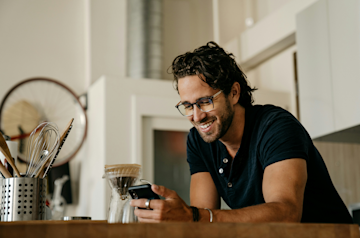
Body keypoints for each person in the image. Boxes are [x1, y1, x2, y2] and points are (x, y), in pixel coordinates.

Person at [130, 42, 353, 223]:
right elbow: (201, 221)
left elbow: (286, 214)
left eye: (205, 102)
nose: (197, 117)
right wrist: (178, 219)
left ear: (234, 93)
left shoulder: (276, 127)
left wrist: (194, 217)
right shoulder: (198, 142)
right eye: (188, 106)